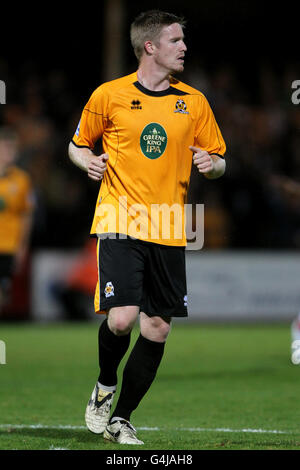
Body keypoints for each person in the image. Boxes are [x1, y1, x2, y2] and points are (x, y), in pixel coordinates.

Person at [68, 9, 226, 445]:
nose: (184, 48)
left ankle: (121, 419)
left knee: (156, 328)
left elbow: (219, 160)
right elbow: (77, 144)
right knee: (120, 320)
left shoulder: (193, 102)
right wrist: (89, 161)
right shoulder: (109, 95)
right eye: (176, 40)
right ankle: (104, 383)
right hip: (120, 218)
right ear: (150, 47)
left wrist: (213, 166)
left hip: (171, 224)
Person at [0, 127, 34, 315]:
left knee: (4, 293)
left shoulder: (21, 180)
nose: (10, 152)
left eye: (13, 148)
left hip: (8, 246)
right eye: (6, 147)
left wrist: (22, 247)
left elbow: (27, 215)